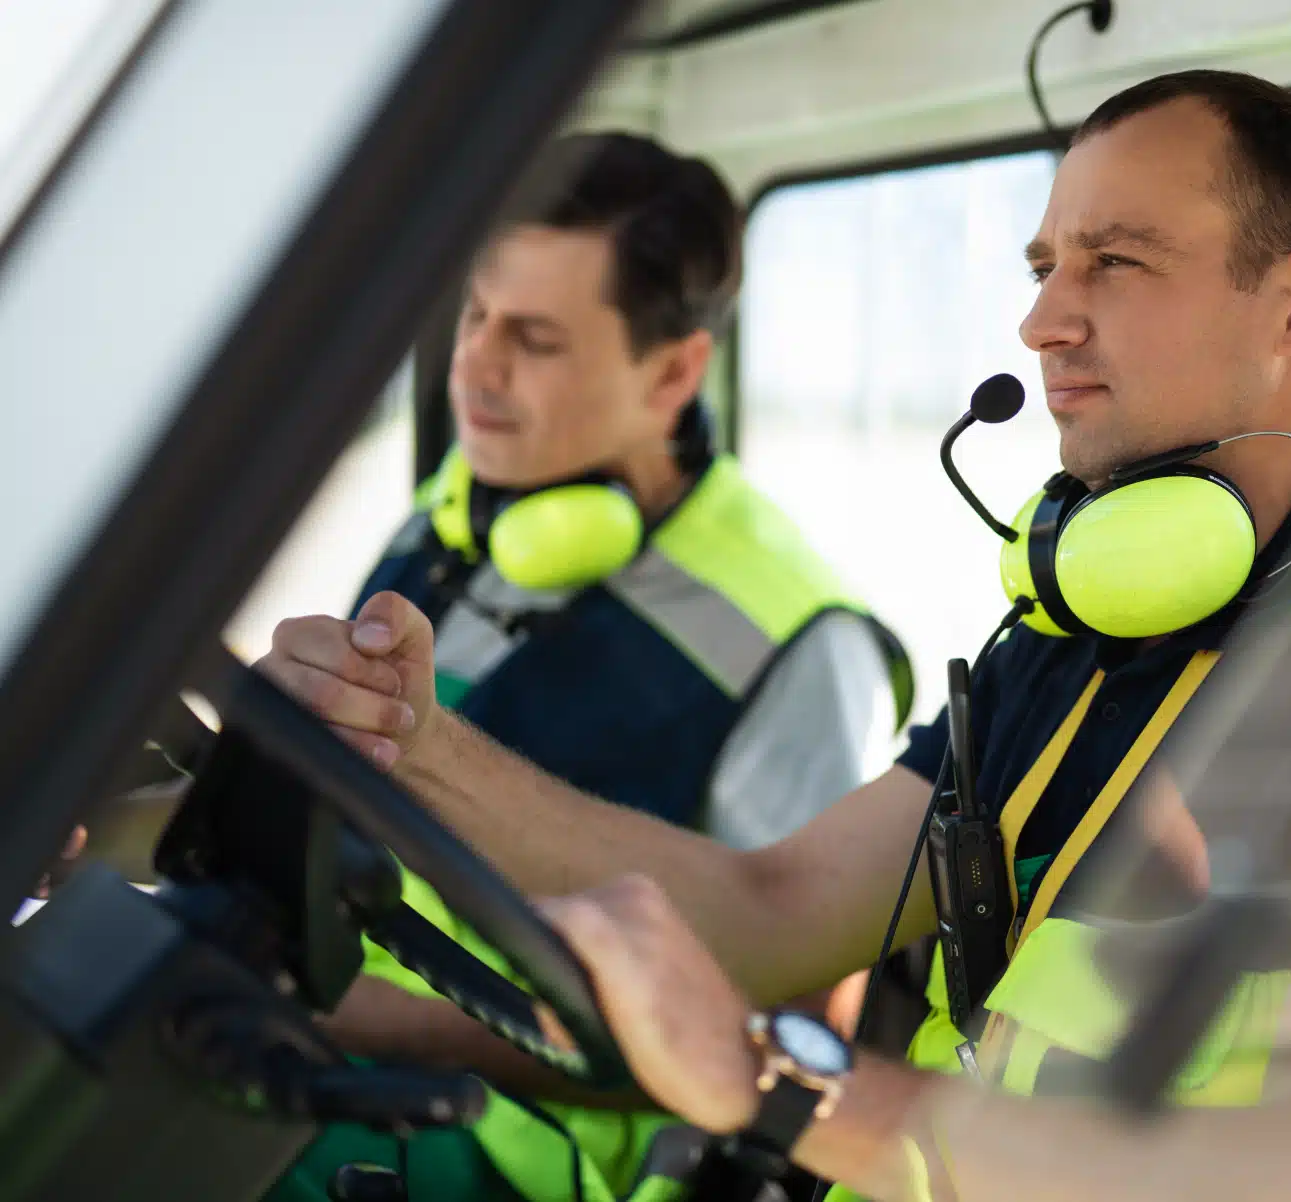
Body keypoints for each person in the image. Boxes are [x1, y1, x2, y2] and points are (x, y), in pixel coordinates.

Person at [261, 72, 1291, 1202]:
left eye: (1116, 262)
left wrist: (771, 1079)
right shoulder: (1084, 619)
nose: (1042, 319)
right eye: (1045, 266)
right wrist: (412, 740)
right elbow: (777, 911)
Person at [259, 132, 915, 1202]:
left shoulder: (801, 642)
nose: (476, 365)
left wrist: (390, 1022)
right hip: (318, 1046)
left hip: (518, 1151)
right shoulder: (458, 513)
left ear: (674, 372)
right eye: (472, 316)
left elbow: (784, 1038)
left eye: (534, 338)